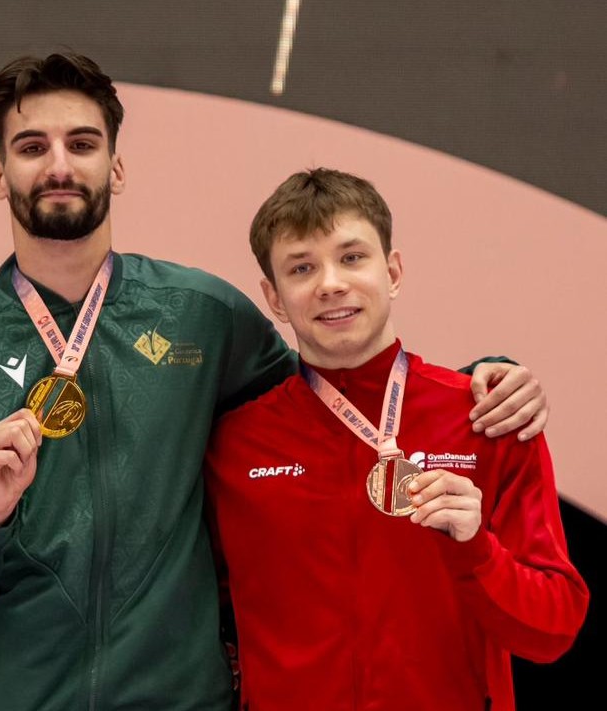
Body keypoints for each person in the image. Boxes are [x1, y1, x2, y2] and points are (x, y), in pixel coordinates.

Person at [0, 53, 549, 711]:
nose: (59, 165)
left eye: (83, 143)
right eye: (32, 146)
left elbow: (334, 387)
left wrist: (473, 385)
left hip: (178, 697)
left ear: (116, 168)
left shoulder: (200, 313)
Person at [205, 168, 589, 711]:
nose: (331, 283)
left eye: (352, 257)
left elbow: (554, 631)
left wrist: (478, 552)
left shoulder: (486, 419)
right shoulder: (234, 446)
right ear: (272, 296)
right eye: (302, 267)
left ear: (394, 271)